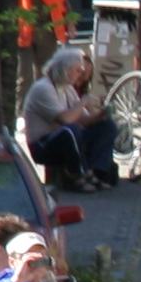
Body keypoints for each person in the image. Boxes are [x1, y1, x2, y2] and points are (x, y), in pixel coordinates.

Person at [24, 49, 118, 189]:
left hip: (63, 138)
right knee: (70, 130)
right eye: (77, 71)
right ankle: (76, 175)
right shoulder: (43, 88)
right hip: (42, 145)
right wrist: (83, 102)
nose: (80, 75)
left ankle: (96, 172)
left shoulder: (67, 88)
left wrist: (101, 115)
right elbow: (65, 120)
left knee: (107, 126)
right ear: (64, 70)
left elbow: (84, 120)